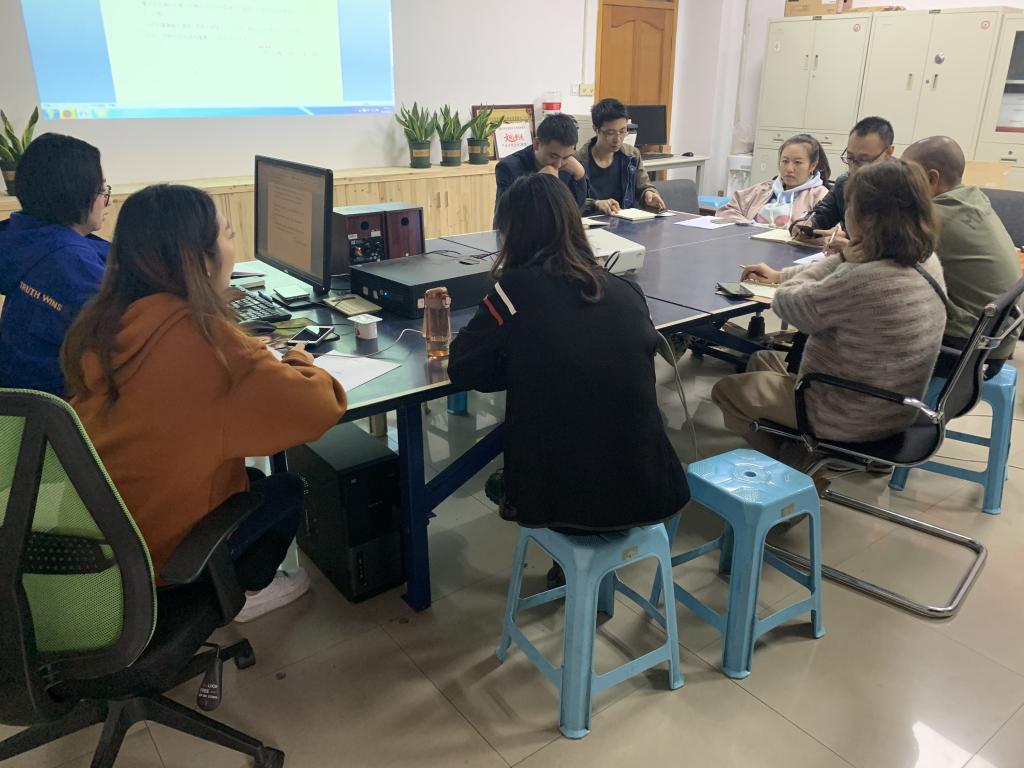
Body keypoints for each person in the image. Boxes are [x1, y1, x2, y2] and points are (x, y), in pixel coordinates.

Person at [62, 184, 348, 622]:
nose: (233, 247)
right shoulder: (212, 346)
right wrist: (297, 358)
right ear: (203, 259)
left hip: (93, 547)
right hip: (162, 566)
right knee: (285, 490)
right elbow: (320, 406)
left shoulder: (102, 324)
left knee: (247, 475)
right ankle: (244, 593)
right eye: (229, 235)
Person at [449, 173, 689, 582]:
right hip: (648, 484)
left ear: (514, 233)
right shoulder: (626, 289)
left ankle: (573, 557)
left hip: (560, 500)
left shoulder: (515, 289)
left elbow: (462, 366)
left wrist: (521, 366)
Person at [712, 160, 947, 474]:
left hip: (849, 412)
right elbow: (820, 285)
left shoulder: (865, 279)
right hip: (895, 403)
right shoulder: (925, 260)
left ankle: (796, 471)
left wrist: (842, 257)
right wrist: (782, 275)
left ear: (866, 218)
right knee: (761, 360)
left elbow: (788, 303)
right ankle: (805, 449)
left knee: (727, 391)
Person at [902, 136, 1022, 378]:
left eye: (907, 175)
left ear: (931, 179)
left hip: (970, 353)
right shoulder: (972, 198)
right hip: (996, 339)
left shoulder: (935, 218)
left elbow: (881, 265)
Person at [0, 133, 110, 395]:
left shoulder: (24, 239)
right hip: (61, 404)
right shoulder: (71, 261)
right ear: (79, 195)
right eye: (102, 190)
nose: (106, 199)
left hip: (22, 398)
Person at [790, 116, 895, 253]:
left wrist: (852, 246)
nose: (853, 167)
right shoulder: (844, 183)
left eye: (863, 160)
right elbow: (823, 213)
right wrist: (806, 225)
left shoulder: (904, 188)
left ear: (888, 153)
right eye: (850, 157)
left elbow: (907, 249)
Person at [715, 133, 831, 227]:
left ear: (812, 166)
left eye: (798, 162)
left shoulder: (820, 196)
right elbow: (726, 211)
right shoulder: (763, 189)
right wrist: (749, 225)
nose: (789, 169)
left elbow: (828, 232)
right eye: (785, 161)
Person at [574, 98, 666, 215]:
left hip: (624, 221)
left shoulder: (632, 155)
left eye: (623, 131)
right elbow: (571, 201)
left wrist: (649, 194)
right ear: (596, 129)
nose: (617, 139)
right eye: (610, 133)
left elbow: (643, 187)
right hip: (591, 223)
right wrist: (595, 203)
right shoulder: (577, 161)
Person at [494, 113, 587, 218]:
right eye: (553, 156)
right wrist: (537, 183)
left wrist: (580, 176)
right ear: (537, 144)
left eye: (565, 157)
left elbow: (576, 214)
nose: (558, 164)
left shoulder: (569, 166)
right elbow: (504, 216)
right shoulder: (509, 167)